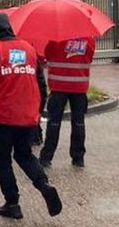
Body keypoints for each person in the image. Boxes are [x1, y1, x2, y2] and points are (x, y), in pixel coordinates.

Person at [0, 13, 61, 220]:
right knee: (24, 155)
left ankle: (12, 203)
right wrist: (38, 110)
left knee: (3, 161)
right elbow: (41, 84)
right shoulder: (28, 49)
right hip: (27, 116)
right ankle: (44, 184)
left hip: (1, 117)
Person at [39, 36, 95, 168]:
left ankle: (46, 157)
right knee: (78, 123)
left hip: (58, 86)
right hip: (79, 87)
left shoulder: (57, 37)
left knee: (54, 123)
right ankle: (78, 158)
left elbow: (47, 55)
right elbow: (90, 58)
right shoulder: (89, 40)